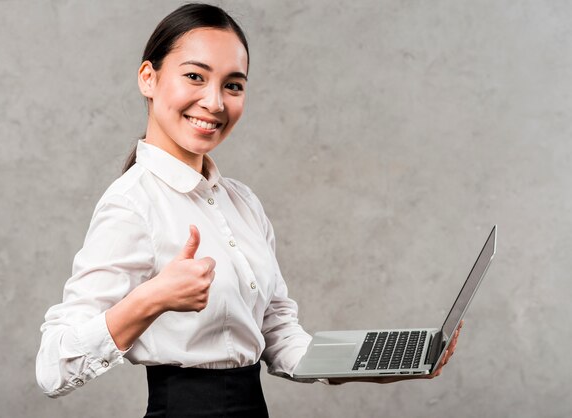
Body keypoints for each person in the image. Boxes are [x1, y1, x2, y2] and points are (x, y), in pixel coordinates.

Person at [35, 3, 461, 417]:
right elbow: (54, 367)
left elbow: (279, 336)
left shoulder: (242, 203)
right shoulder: (132, 203)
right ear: (149, 78)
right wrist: (153, 298)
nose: (215, 102)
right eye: (194, 77)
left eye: (233, 85)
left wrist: (376, 366)